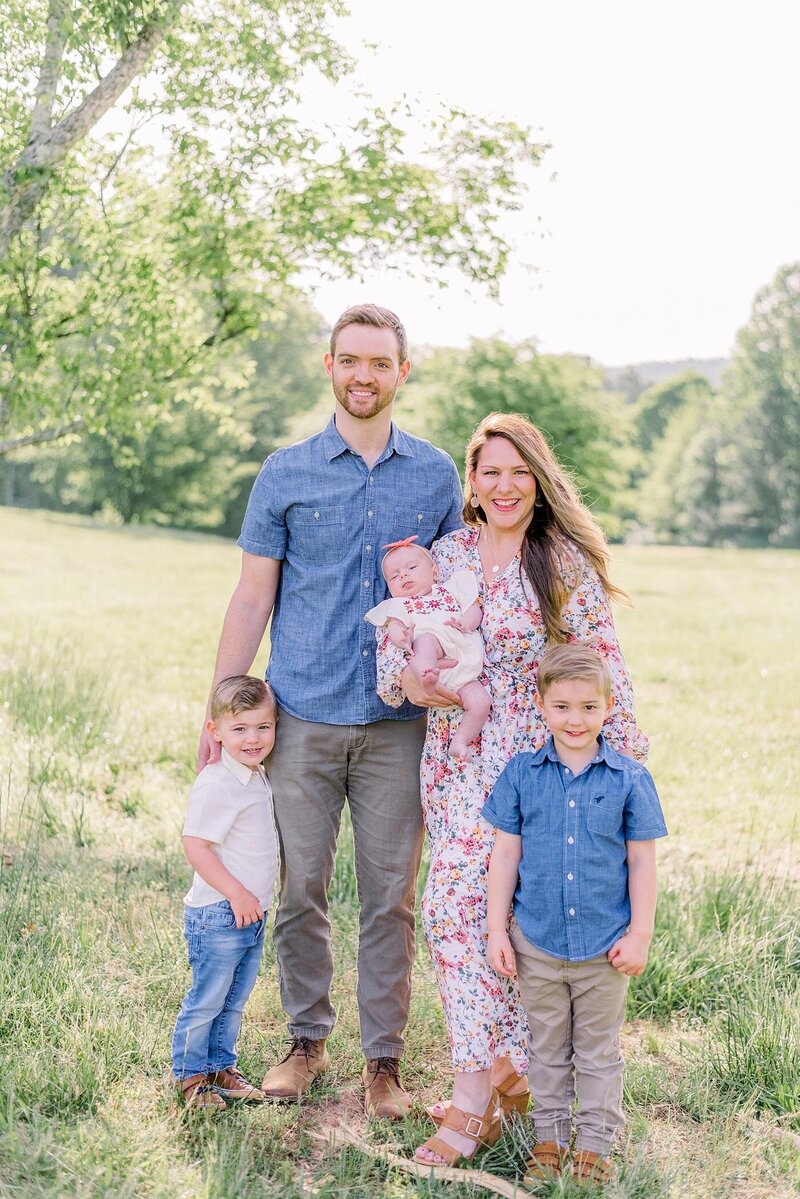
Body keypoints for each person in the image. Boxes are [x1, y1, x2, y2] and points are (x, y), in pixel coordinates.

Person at [197, 304, 463, 1118]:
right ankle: (306, 1042)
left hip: (398, 729)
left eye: (380, 363)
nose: (363, 375)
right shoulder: (286, 471)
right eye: (351, 360)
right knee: (301, 887)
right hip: (302, 717)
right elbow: (251, 597)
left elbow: (455, 598)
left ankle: (383, 1062)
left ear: (402, 373)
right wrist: (217, 713)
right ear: (330, 366)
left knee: (391, 896)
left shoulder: (438, 474)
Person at [376, 411, 648, 1165]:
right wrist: (412, 682)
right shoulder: (447, 554)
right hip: (459, 767)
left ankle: (504, 1086)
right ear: (472, 479)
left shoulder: (558, 560)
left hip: (541, 771)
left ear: (538, 478)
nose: (504, 485)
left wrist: (628, 770)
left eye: (518, 471)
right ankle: (485, 1083)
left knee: (520, 926)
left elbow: (603, 665)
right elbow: (393, 657)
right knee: (451, 913)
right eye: (490, 471)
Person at [484, 644, 667, 1186]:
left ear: (609, 708)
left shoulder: (630, 779)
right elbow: (506, 854)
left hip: (604, 946)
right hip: (536, 940)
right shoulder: (521, 773)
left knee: (596, 1050)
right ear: (540, 705)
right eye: (562, 706)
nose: (575, 719)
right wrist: (498, 929)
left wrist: (640, 932)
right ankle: (550, 1139)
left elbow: (641, 860)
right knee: (545, 1047)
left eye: (589, 707)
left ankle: (593, 1145)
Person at [172, 675, 279, 1109]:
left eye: (262, 727)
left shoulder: (256, 776)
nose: (253, 738)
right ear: (215, 732)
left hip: (251, 912)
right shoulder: (218, 782)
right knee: (208, 999)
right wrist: (236, 892)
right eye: (239, 729)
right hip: (220, 911)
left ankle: (221, 1066)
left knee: (234, 1000)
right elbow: (196, 846)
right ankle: (189, 1076)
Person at [365, 536, 490, 760]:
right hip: (429, 660)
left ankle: (460, 742)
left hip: (464, 668)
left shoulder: (450, 591)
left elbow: (474, 611)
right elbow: (394, 629)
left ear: (434, 572)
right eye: (394, 576)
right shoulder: (398, 606)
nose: (403, 574)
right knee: (425, 641)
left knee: (481, 701)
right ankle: (427, 677)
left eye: (411, 567)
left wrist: (466, 623)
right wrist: (403, 638)